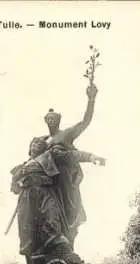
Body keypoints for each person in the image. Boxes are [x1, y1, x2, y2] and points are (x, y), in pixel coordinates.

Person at [11, 136, 105, 264]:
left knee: (53, 220)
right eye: (34, 143)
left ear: (43, 147)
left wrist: (90, 157)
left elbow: (71, 155)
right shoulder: (21, 167)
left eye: (39, 143)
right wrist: (21, 181)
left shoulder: (50, 155)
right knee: (28, 230)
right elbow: (14, 188)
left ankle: (64, 253)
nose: (35, 145)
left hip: (45, 193)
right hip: (27, 198)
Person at [42, 84, 100, 249]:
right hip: (48, 184)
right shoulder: (43, 141)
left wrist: (91, 99)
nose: (51, 120)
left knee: (69, 213)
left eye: (54, 118)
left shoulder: (65, 134)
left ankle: (68, 247)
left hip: (65, 181)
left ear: (58, 120)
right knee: (48, 215)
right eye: (48, 119)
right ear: (45, 121)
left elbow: (85, 121)